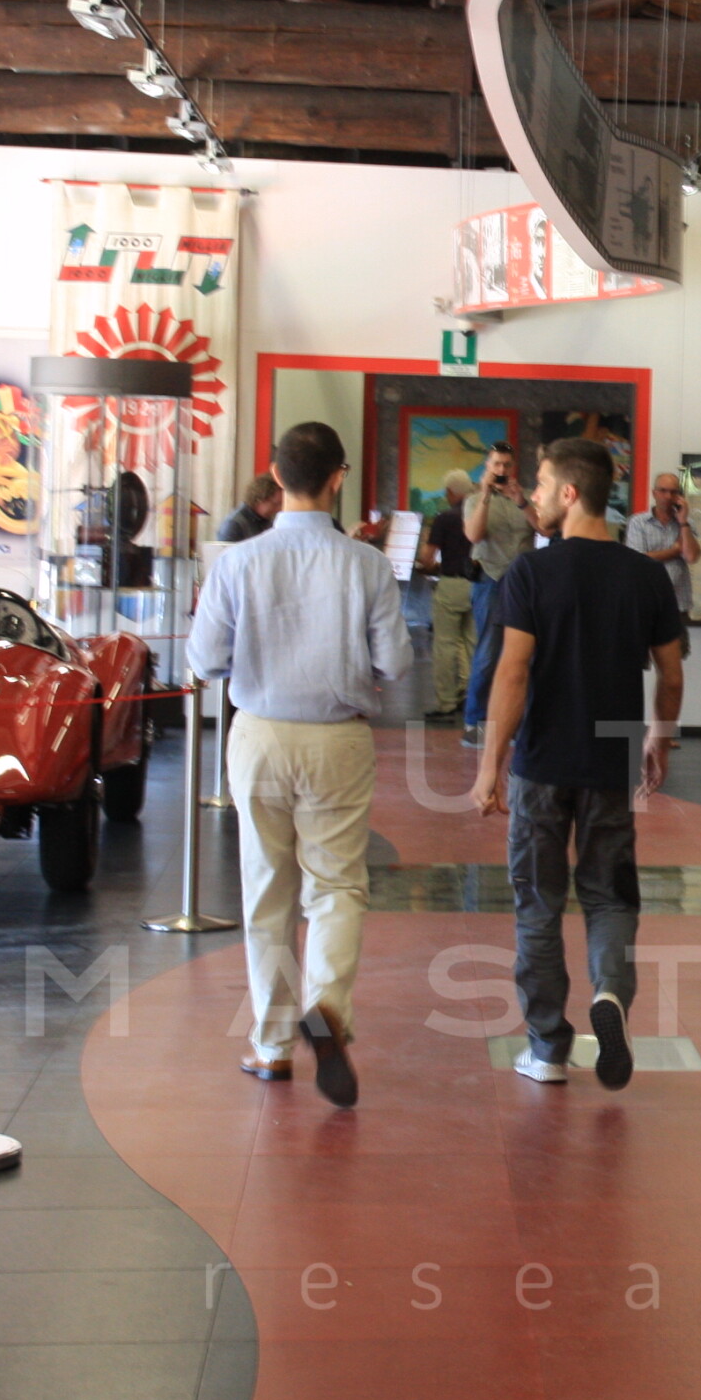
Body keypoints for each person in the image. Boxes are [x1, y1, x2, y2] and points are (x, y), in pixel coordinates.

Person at [191, 422, 411, 1108]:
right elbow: (395, 663)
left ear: (276, 475)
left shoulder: (236, 562)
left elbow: (204, 661)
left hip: (258, 734)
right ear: (338, 478)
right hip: (338, 738)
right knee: (337, 886)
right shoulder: (367, 564)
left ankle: (272, 1044)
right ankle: (329, 1008)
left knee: (267, 892)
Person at [471, 438, 684, 1090]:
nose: (533, 494)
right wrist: (659, 739)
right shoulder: (645, 576)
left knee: (538, 903)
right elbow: (671, 673)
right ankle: (610, 993)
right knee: (609, 895)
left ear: (569, 493)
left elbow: (513, 673)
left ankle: (547, 1048)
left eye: (540, 483)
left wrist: (490, 765)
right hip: (611, 758)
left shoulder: (530, 574)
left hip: (542, 762)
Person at [461, 442, 535, 747]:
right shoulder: (474, 500)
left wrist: (521, 502)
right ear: (487, 467)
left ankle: (517, 724)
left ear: (513, 467)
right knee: (488, 654)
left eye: (506, 464)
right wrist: (485, 496)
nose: (502, 470)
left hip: (522, 582)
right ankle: (475, 723)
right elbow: (474, 535)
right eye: (497, 465)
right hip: (489, 580)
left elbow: (545, 529)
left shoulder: (526, 496)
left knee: (524, 654)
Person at [416, 469, 478, 720]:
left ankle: (447, 703)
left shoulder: (445, 518)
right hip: (479, 586)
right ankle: (472, 696)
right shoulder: (480, 515)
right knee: (473, 644)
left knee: (445, 644)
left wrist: (430, 566)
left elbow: (427, 558)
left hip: (451, 584)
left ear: (451, 492)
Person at [622, 471, 701, 659]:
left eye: (673, 492)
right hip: (645, 603)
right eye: (663, 491)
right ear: (654, 493)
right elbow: (636, 560)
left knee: (674, 663)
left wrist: (683, 523)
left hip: (676, 604)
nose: (668, 496)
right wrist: (674, 551)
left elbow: (691, 556)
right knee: (638, 661)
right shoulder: (638, 522)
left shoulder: (687, 524)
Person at [216, 473, 282, 543]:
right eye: (276, 504)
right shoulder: (234, 525)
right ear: (260, 499)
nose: (279, 509)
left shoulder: (269, 520)